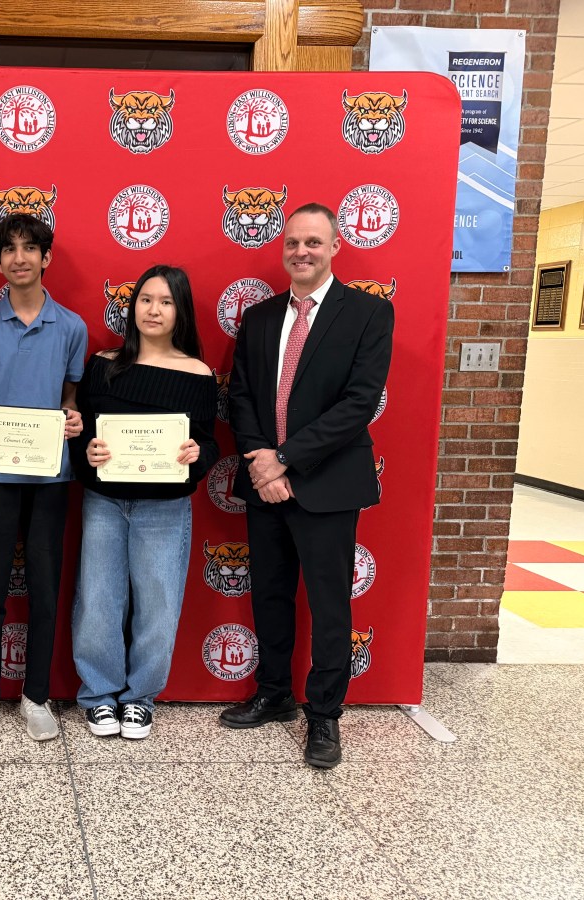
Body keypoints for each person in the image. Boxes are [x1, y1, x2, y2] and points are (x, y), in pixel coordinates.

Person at [222, 203, 394, 768]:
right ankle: (274, 695)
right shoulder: (261, 316)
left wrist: (285, 461)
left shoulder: (370, 313)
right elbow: (241, 395)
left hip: (326, 484)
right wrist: (261, 462)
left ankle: (324, 715)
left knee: (327, 604)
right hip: (264, 482)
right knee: (269, 594)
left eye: (314, 242)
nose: (302, 251)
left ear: (335, 247)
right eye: (293, 242)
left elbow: (358, 403)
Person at [70, 265, 219, 739]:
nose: (154, 310)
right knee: (97, 599)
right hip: (105, 501)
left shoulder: (198, 373)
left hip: (165, 507)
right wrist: (87, 450)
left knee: (158, 603)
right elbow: (82, 433)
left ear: (181, 311)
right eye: (146, 300)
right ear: (132, 307)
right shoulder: (103, 362)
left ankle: (139, 698)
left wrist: (197, 454)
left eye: (166, 301)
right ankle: (98, 694)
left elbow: (209, 443)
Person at [0, 213, 87, 742]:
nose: (19, 258)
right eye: (9, 249)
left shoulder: (73, 327)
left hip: (49, 475)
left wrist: (75, 420)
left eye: (29, 248)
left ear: (46, 257)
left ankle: (37, 696)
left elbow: (70, 401)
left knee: (44, 587)